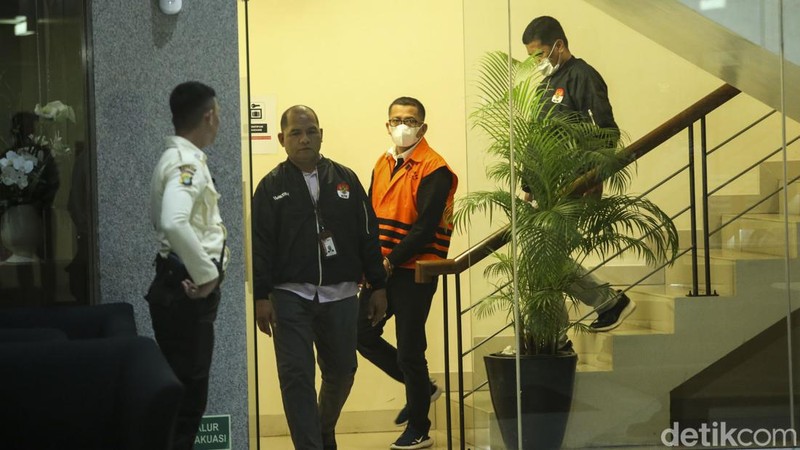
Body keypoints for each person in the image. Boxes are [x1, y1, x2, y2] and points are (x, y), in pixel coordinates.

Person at [251, 105, 388, 450]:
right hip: (289, 296)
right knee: (296, 377)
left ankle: (323, 428)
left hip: (341, 294)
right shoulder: (270, 186)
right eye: (295, 133)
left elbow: (368, 234)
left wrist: (378, 285)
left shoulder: (345, 179)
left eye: (311, 131)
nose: (304, 139)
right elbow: (260, 244)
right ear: (282, 139)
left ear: (321, 135)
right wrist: (261, 295)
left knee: (343, 371)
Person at [357, 97, 458, 450]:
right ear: (387, 125)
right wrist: (369, 263)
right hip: (382, 268)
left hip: (416, 271)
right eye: (396, 119)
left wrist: (389, 261)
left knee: (410, 350)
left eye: (410, 120)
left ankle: (419, 428)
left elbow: (425, 229)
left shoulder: (435, 168)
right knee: (361, 334)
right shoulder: (382, 162)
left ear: (423, 127)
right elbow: (368, 218)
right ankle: (423, 389)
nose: (402, 126)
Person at [522, 16, 634, 332]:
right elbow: (537, 137)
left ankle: (609, 302)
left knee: (548, 257)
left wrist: (589, 178)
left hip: (574, 185)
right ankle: (555, 338)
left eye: (539, 54)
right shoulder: (546, 84)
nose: (537, 62)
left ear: (558, 45)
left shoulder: (583, 76)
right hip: (548, 188)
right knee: (540, 258)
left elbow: (606, 132)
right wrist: (528, 183)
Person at [146, 81, 228, 450]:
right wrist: (207, 275)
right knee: (188, 401)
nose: (219, 122)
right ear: (209, 115)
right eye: (219, 114)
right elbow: (173, 221)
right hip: (186, 290)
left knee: (183, 395)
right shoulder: (186, 163)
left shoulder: (174, 158)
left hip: (176, 284)